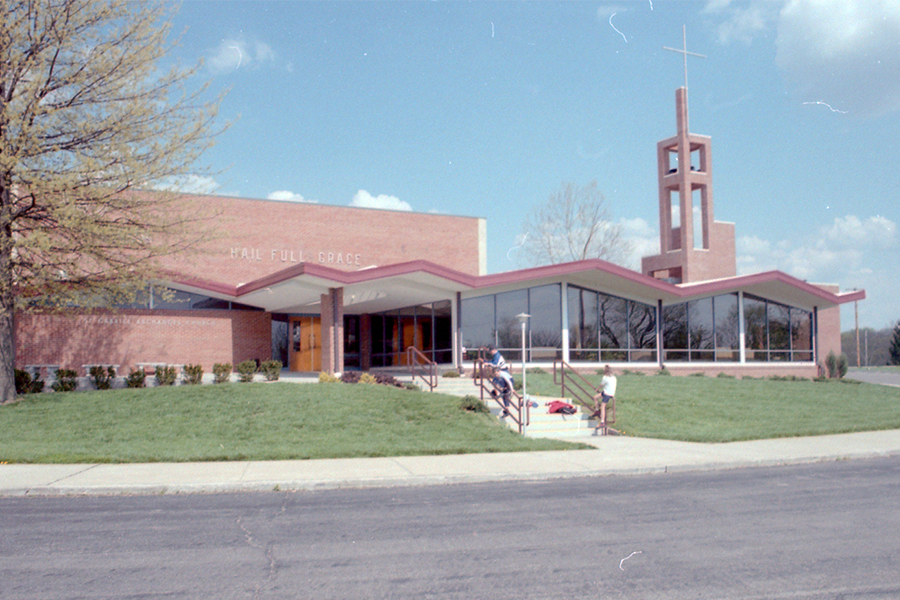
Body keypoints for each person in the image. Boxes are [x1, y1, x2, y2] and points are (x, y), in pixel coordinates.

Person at [592, 364, 617, 434]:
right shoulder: (614, 378)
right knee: (595, 397)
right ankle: (597, 410)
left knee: (603, 406)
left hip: (607, 394)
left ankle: (602, 421)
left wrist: (597, 389)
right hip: (607, 392)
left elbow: (601, 385)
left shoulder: (605, 378)